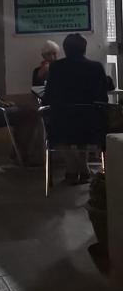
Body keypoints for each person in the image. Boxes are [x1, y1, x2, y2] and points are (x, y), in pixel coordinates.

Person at [42, 33, 108, 184]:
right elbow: (103, 97)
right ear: (84, 49)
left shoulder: (56, 67)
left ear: (65, 49)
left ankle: (72, 168)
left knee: (60, 126)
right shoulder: (96, 67)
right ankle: (83, 168)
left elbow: (49, 96)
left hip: (63, 124)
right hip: (91, 125)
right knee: (83, 123)